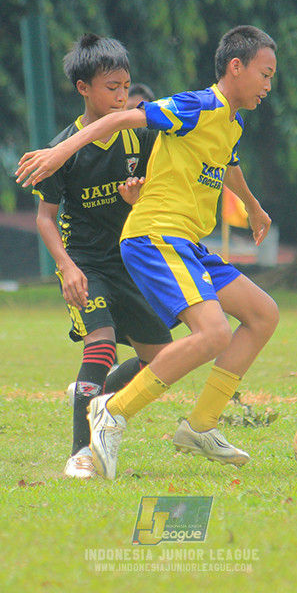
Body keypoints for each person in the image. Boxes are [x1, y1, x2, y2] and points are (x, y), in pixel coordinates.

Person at [17, 25, 280, 479]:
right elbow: (122, 119)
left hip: (188, 243)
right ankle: (109, 413)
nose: (269, 86)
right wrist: (60, 152)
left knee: (263, 314)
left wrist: (253, 207)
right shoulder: (197, 106)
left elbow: (227, 161)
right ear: (236, 68)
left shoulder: (232, 121)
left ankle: (200, 426)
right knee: (212, 333)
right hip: (155, 237)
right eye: (265, 73)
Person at [33, 34, 172, 478]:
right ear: (84, 89)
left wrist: (139, 199)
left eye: (125, 86)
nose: (121, 96)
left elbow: (160, 193)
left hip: (131, 262)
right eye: (111, 87)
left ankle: (91, 395)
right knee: (102, 343)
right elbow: (44, 218)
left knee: (161, 359)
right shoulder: (65, 148)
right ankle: (81, 454)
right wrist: (67, 267)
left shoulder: (140, 137)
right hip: (86, 264)